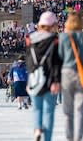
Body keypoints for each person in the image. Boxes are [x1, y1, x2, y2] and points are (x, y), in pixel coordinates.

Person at [58, 11, 83, 141]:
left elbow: (59, 57)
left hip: (67, 73)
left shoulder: (63, 37)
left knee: (68, 110)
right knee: (80, 109)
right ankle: (78, 138)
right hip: (82, 73)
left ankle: (69, 137)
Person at [26, 11, 62, 141]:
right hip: (49, 80)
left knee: (36, 109)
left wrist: (29, 80)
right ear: (52, 25)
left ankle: (37, 129)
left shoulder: (30, 39)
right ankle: (47, 138)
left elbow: (29, 61)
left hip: (34, 79)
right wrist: (56, 81)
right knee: (48, 112)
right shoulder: (54, 40)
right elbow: (56, 62)